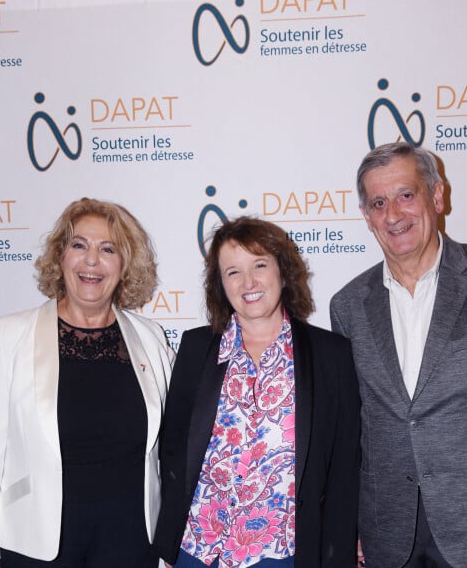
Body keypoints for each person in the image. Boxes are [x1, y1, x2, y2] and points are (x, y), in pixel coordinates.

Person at [330, 142, 467, 568]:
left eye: (406, 195)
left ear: (436, 196)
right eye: (379, 203)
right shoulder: (347, 306)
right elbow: (352, 431)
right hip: (387, 534)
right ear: (367, 217)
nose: (394, 214)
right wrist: (351, 525)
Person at [0, 197, 174, 568]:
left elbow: (175, 443)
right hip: (37, 545)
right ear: (60, 256)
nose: (92, 260)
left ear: (124, 265)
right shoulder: (10, 334)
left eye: (108, 249)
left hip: (130, 544)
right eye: (79, 245)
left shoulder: (150, 337)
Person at [154, 216, 361, 568]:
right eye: (233, 271)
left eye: (260, 265)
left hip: (281, 552)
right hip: (200, 548)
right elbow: (173, 449)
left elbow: (344, 467)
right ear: (220, 284)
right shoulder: (196, 348)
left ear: (282, 271)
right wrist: (170, 541)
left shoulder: (330, 355)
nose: (248, 282)